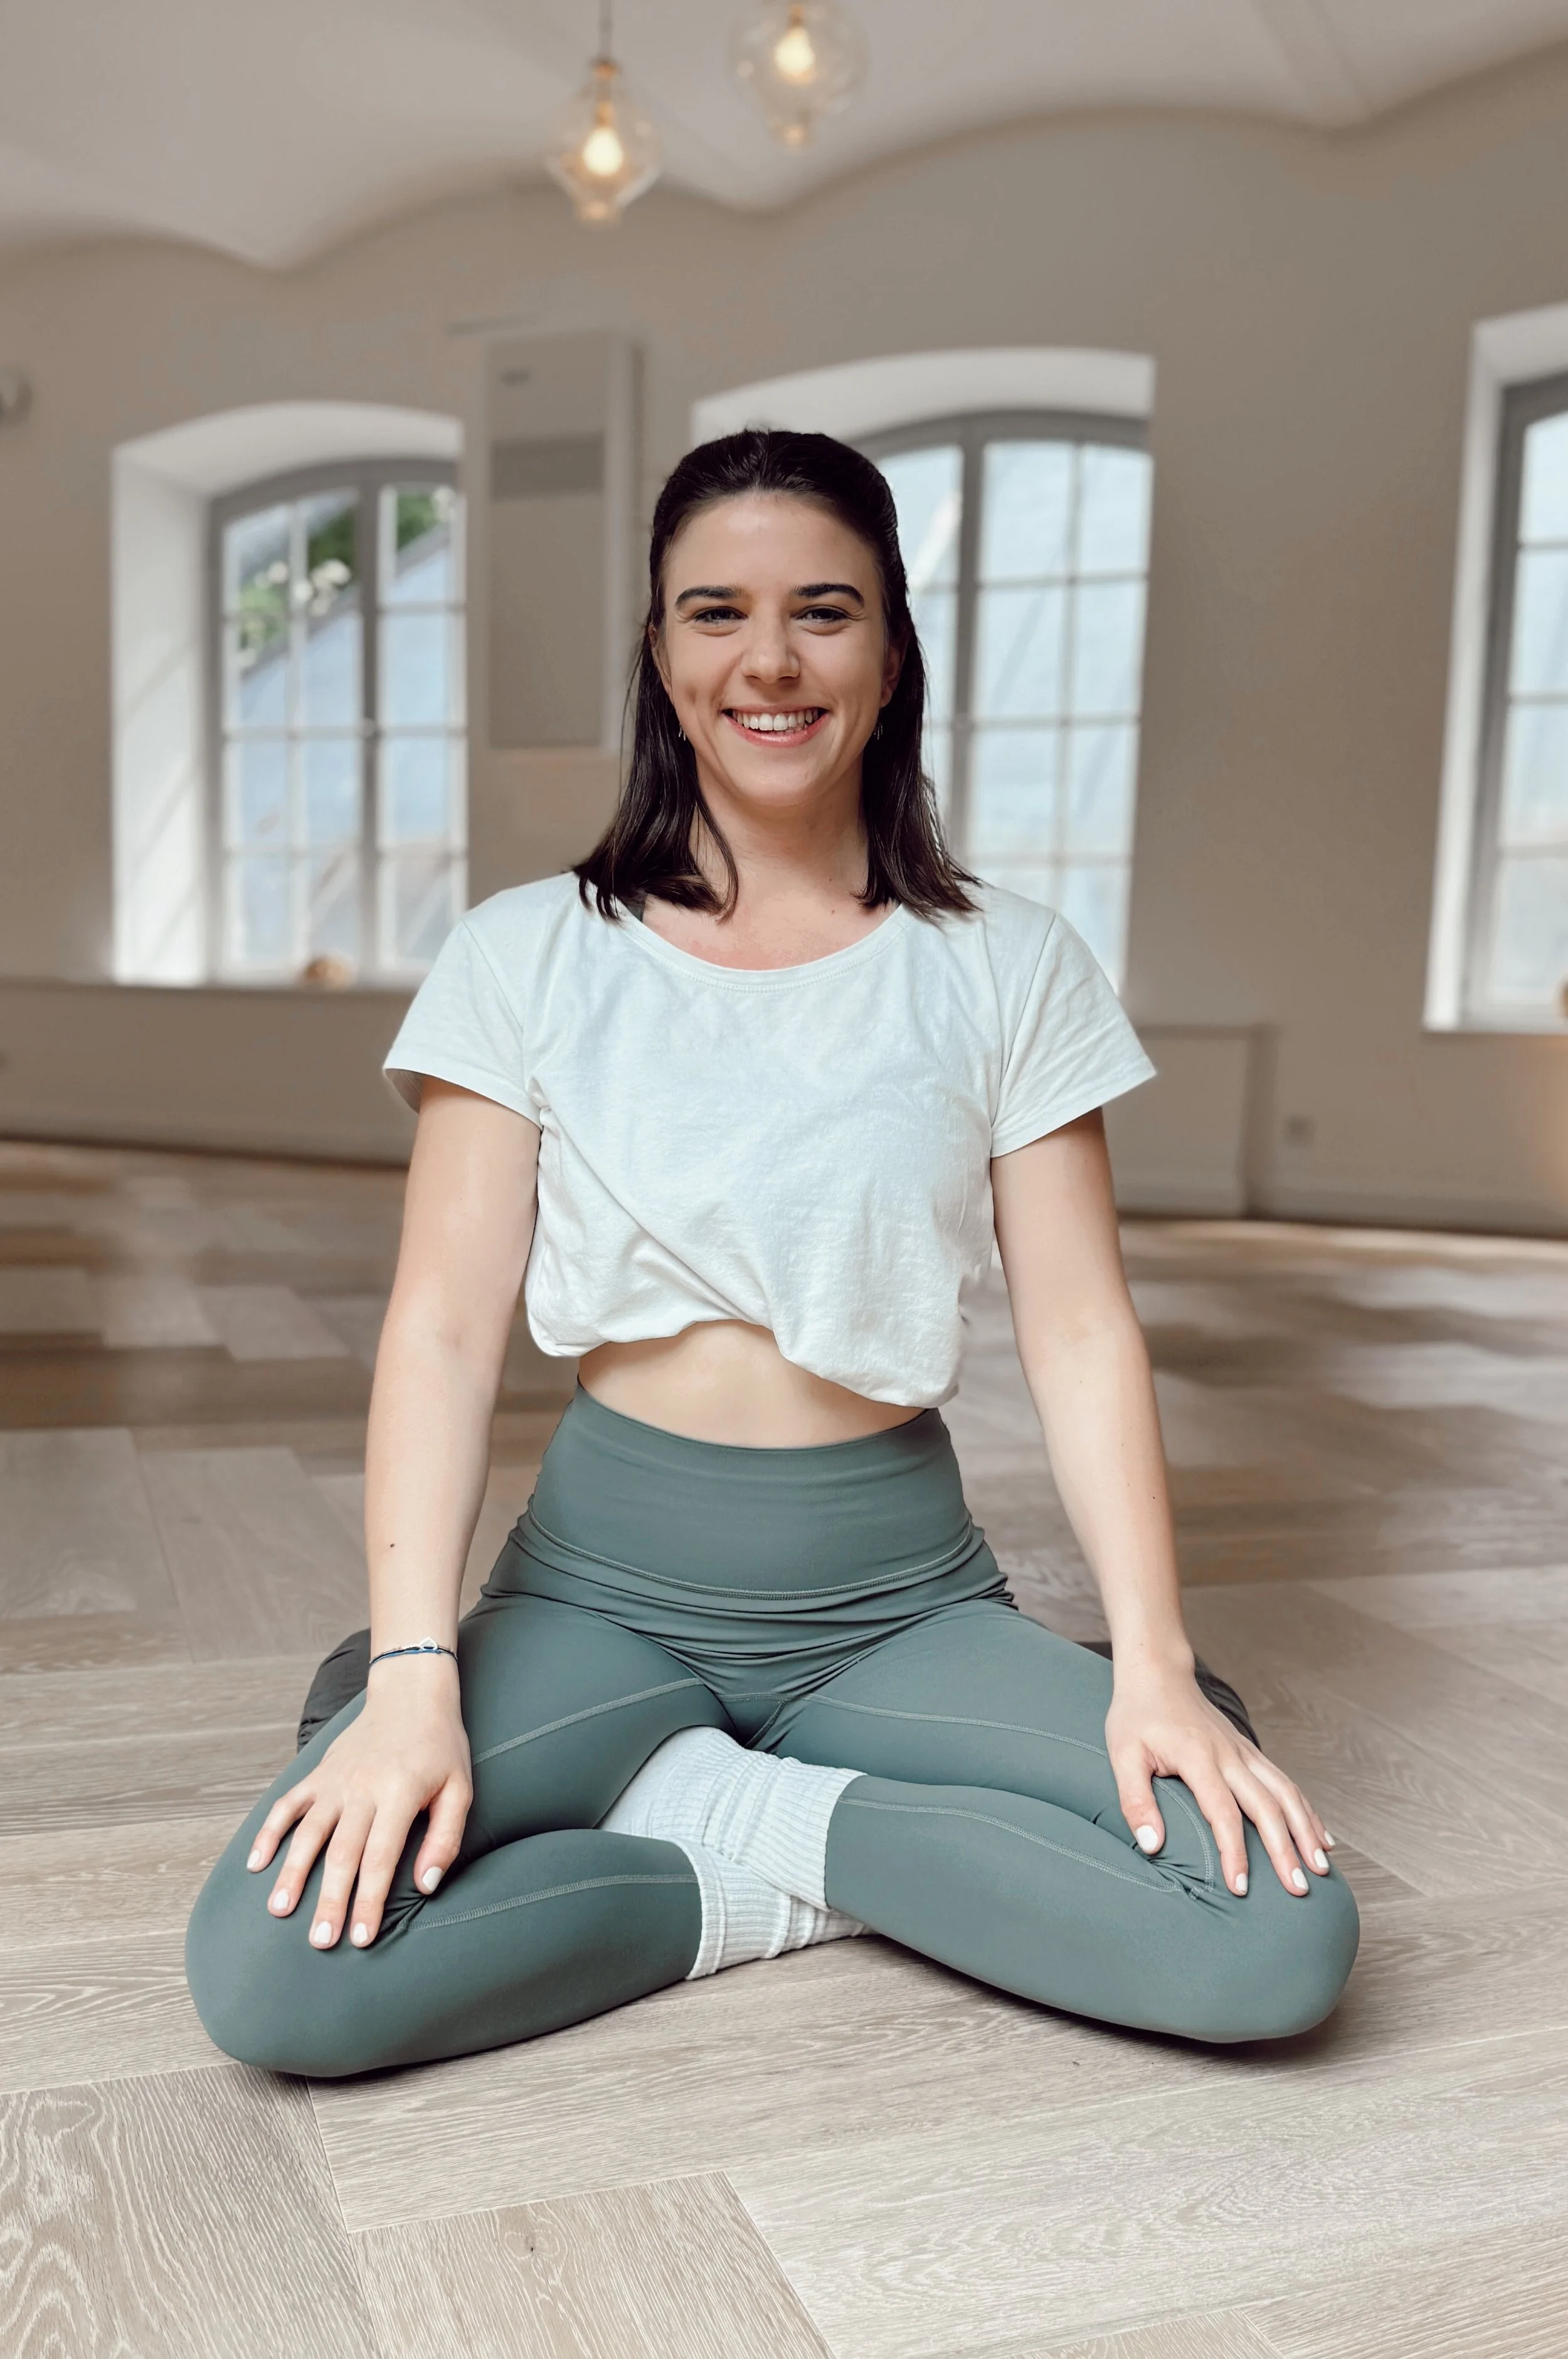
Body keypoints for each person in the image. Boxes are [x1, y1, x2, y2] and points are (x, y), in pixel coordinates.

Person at [186, 430, 1358, 2077]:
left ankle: (727, 1809)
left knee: (1272, 1934)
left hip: (892, 1601)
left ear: (889, 653)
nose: (770, 659)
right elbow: (442, 1337)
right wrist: (409, 1668)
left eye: (823, 610)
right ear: (660, 659)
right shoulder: (528, 953)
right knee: (275, 1973)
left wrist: (1152, 1669)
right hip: (600, 1583)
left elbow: (1082, 1337)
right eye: (714, 612)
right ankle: (741, 1824)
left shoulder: (1005, 965)